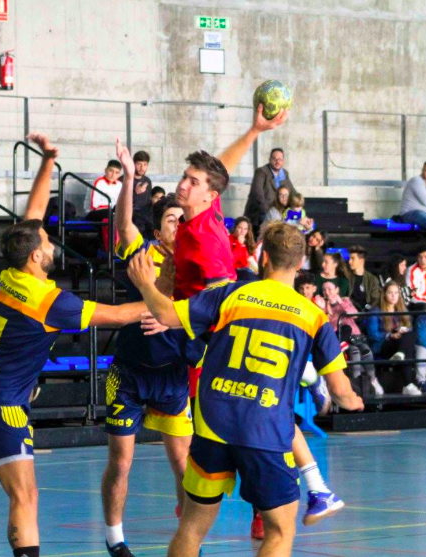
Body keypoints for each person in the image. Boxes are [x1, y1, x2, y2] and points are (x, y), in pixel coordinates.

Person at [0, 133, 148, 557]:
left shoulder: (11, 275)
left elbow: (32, 216)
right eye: (46, 242)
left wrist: (47, 161)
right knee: (25, 497)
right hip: (4, 407)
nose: (51, 243)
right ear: (36, 258)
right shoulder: (49, 301)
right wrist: (174, 303)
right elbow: (120, 315)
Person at [160, 106, 347, 539]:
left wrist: (162, 312)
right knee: (262, 412)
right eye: (185, 178)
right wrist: (254, 130)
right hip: (210, 330)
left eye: (191, 181)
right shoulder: (198, 215)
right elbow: (218, 172)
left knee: (242, 417)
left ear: (207, 196)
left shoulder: (206, 241)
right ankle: (303, 488)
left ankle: (264, 504)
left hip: (210, 342)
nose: (183, 184)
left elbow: (218, 299)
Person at [127, 222, 363, 557]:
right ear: (300, 264)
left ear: (264, 257)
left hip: (213, 425)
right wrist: (354, 401)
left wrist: (145, 284)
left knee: (192, 528)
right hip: (265, 433)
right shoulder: (314, 317)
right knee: (280, 532)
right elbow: (340, 391)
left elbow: (165, 313)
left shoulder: (230, 294)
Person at [100, 139, 198, 557]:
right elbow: (123, 225)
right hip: (130, 372)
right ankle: (115, 538)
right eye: (172, 219)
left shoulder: (198, 266)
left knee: (183, 463)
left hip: (172, 375)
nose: (179, 223)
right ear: (159, 232)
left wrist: (171, 318)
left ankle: (188, 537)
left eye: (183, 218)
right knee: (122, 461)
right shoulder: (144, 254)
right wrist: (127, 177)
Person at [320, 281, 383, 396]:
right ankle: (356, 384)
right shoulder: (322, 305)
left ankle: (373, 380)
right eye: (324, 290)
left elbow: (354, 314)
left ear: (336, 290)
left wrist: (340, 302)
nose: (327, 292)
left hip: (355, 336)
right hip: (340, 338)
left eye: (329, 289)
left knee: (366, 352)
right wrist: (326, 308)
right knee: (354, 352)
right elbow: (326, 325)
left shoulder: (345, 301)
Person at [366, 282, 419, 394]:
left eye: (396, 293)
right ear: (384, 294)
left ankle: (401, 354)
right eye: (390, 293)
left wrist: (402, 330)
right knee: (407, 348)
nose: (393, 296)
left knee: (410, 336)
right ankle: (407, 385)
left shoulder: (402, 309)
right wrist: (390, 335)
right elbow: (372, 333)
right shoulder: (376, 311)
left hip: (399, 344)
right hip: (382, 345)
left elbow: (409, 328)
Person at [244, 147, 298, 231]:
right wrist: (267, 211)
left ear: (283, 161)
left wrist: (298, 205)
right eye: (274, 159)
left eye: (280, 159)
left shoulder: (284, 173)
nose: (277, 161)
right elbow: (257, 193)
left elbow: (293, 192)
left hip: (278, 213)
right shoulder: (261, 172)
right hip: (261, 213)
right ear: (269, 160)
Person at [347, 246, 382, 312]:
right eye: (350, 258)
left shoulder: (372, 279)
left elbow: (375, 298)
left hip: (367, 313)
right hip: (350, 312)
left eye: (352, 259)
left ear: (361, 260)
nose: (349, 261)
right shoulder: (346, 277)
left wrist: (367, 308)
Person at [131, 150, 154, 238]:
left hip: (145, 216)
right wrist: (135, 193)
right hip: (131, 215)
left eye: (145, 164)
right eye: (139, 164)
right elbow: (120, 204)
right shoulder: (125, 180)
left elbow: (148, 202)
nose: (142, 168)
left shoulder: (147, 181)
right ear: (134, 164)